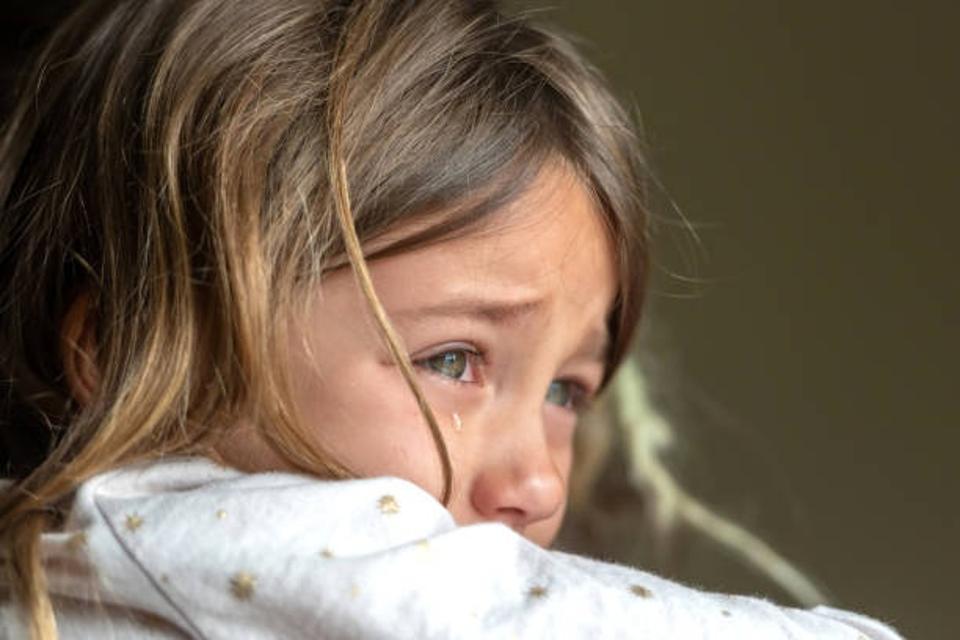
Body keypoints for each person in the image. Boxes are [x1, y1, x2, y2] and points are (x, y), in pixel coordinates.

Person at [0, 1, 904, 638]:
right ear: (129, 356)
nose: (543, 486)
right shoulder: (171, 525)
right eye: (454, 360)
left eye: (565, 390)